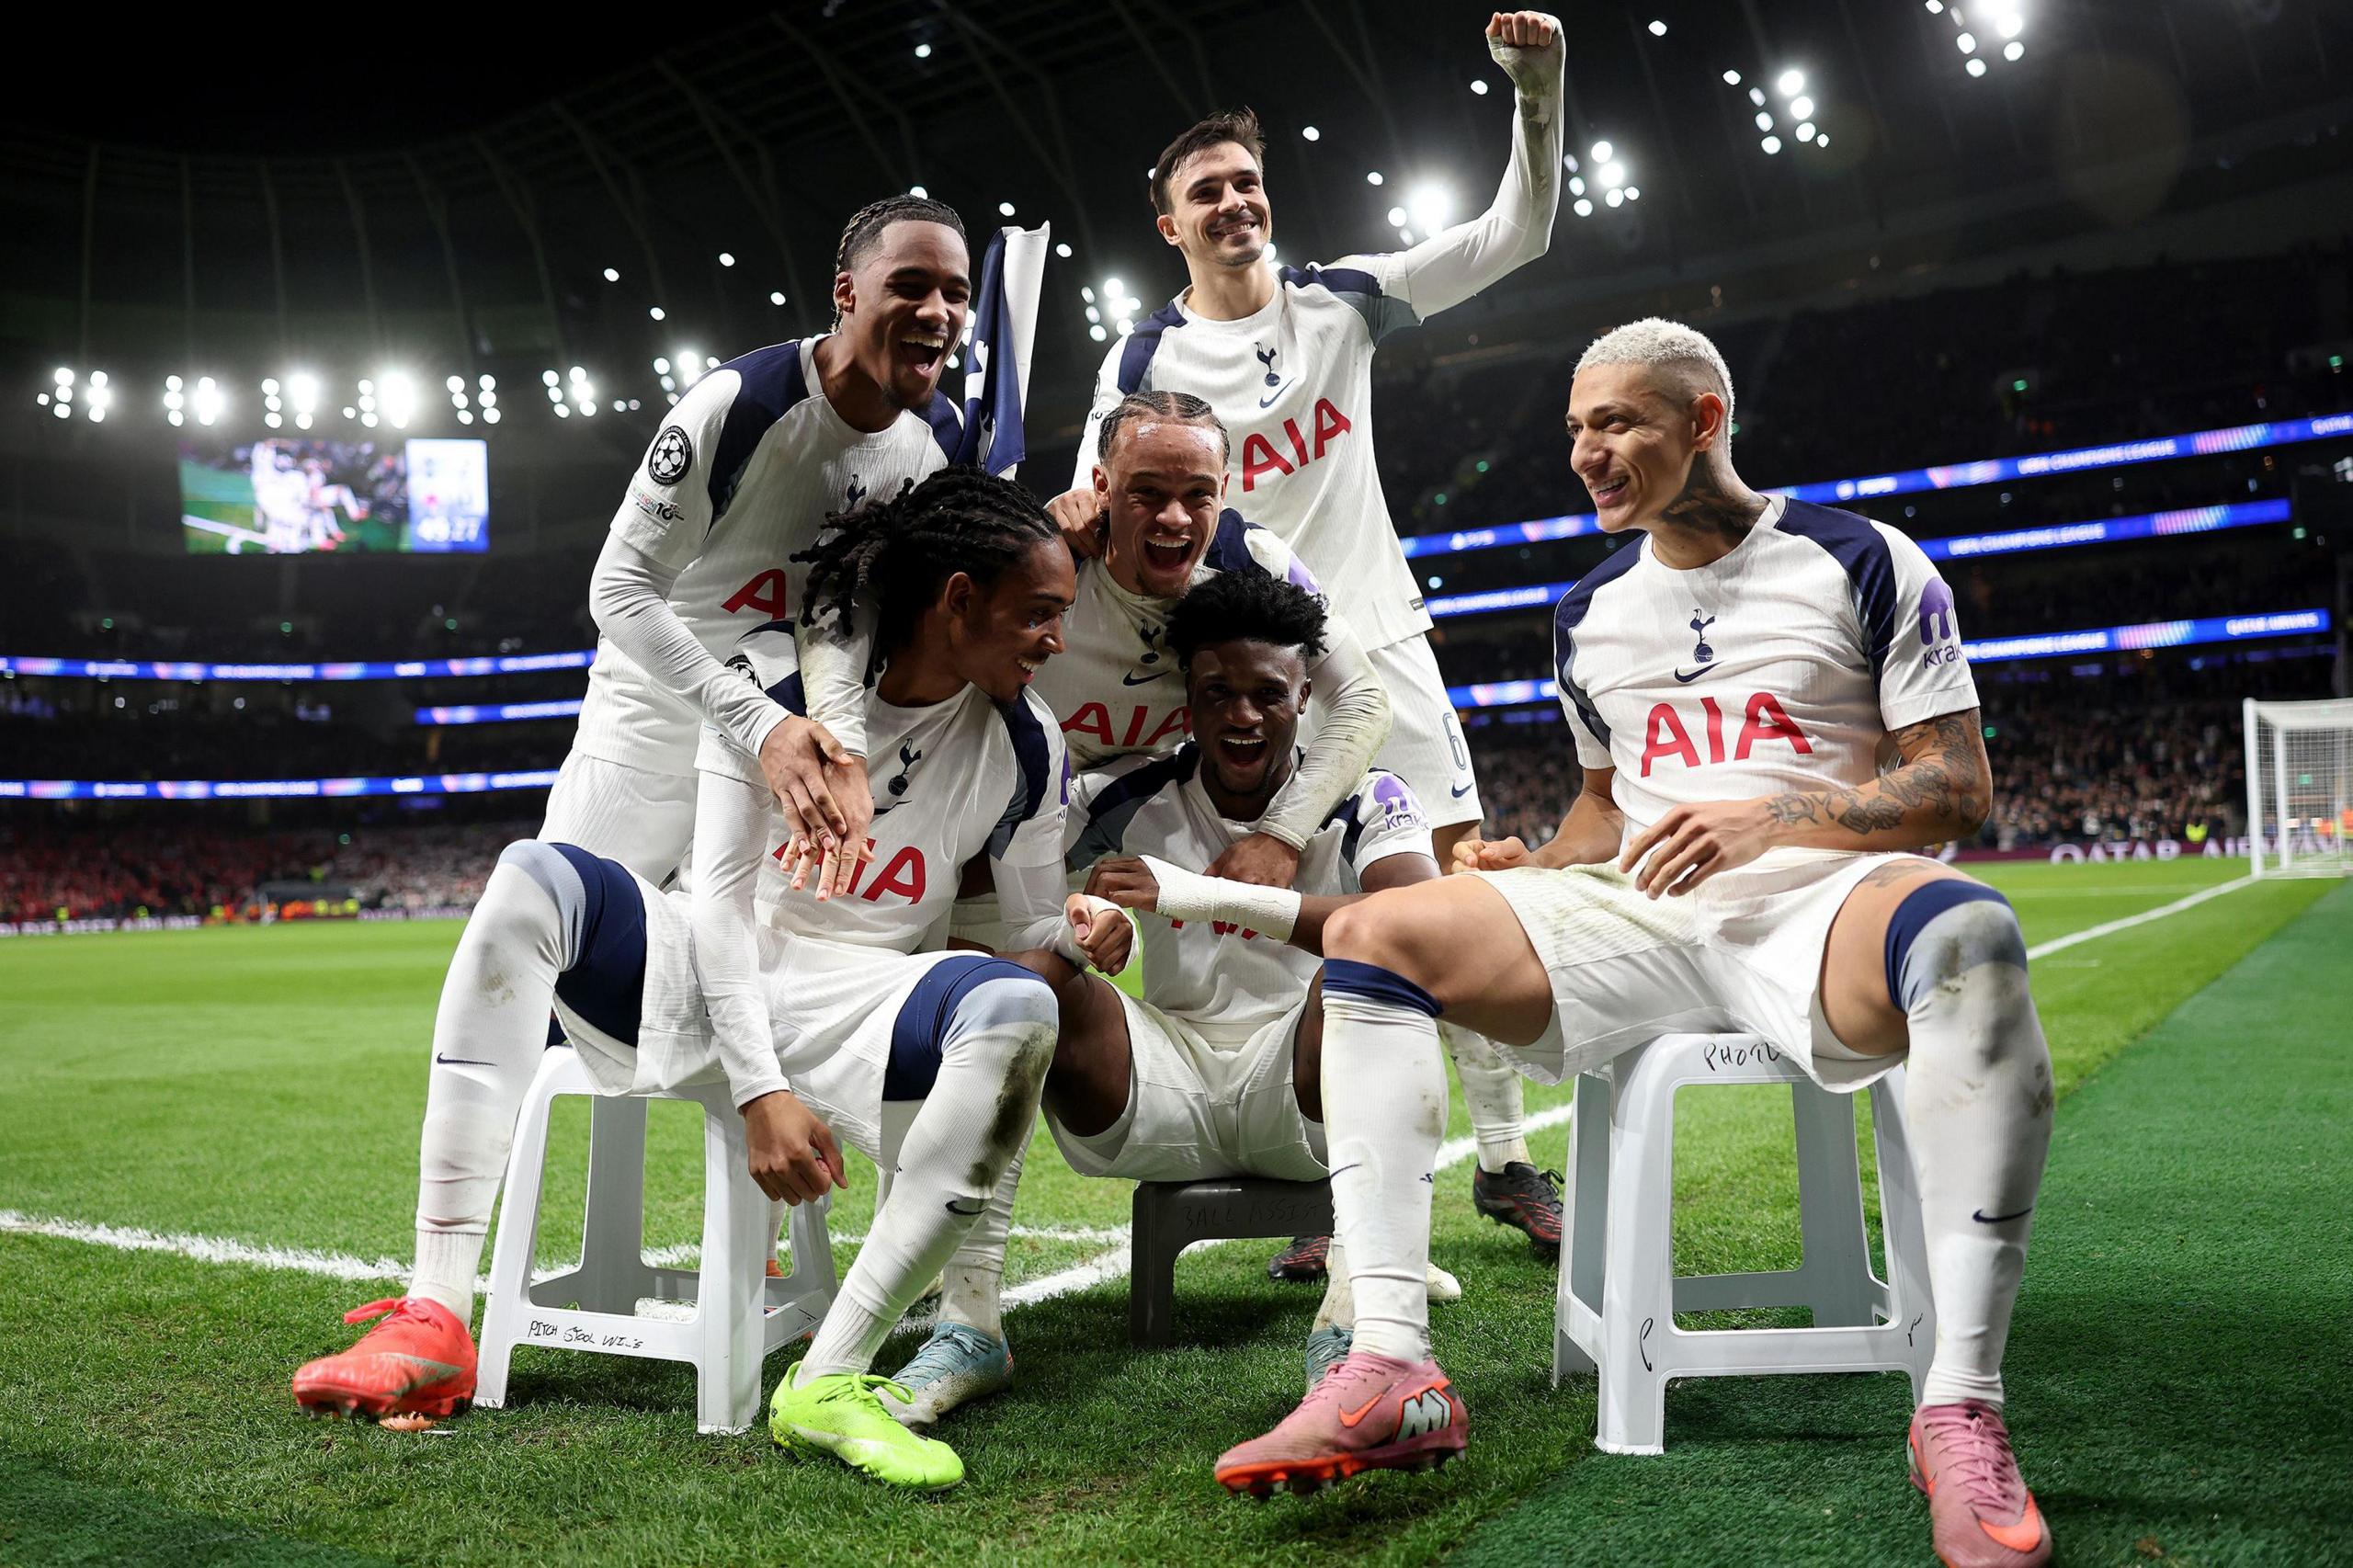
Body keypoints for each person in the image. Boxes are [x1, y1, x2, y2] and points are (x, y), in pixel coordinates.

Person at [1214, 320, 2055, 1568]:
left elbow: (1957, 784)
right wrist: (1536, 862)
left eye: (1615, 422)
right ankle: (1391, 1362)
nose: (1585, 452)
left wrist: (1770, 815)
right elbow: (1607, 807)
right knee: (1376, 929)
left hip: (1820, 898)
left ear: (1704, 419)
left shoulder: (1863, 557)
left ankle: (1960, 1408)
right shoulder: (1587, 610)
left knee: (1973, 931)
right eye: (1575, 429)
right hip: (1643, 906)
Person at [291, 470, 1132, 1495]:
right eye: (1039, 613)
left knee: (1022, 1004)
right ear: (958, 599)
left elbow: (1032, 922)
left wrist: (1091, 928)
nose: (1056, 640)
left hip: (860, 997)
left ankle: (828, 1380)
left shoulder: (1029, 742)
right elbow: (723, 904)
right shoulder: (776, 676)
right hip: (702, 963)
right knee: (528, 878)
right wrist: (758, 1087)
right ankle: (435, 1311)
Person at [1050, 17, 1572, 1244]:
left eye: (1246, 182)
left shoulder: (1344, 300)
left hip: (1370, 638)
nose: (1234, 202)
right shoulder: (1145, 354)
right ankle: (1318, 1170)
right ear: (1169, 224)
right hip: (1232, 667)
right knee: (1268, 889)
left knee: (1449, 886)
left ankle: (1504, 1159)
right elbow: (1094, 492)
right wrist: (1067, 510)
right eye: (1206, 191)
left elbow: (1515, 233)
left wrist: (1537, 92)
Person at [891, 570, 1440, 1426]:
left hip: (1307, 1094)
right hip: (1161, 1086)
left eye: (1269, 694)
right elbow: (991, 889)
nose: (1243, 715)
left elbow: (1422, 929)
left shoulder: (1371, 797)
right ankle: (971, 1326)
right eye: (1218, 692)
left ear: (1306, 696)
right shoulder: (1125, 794)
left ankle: (1356, 1322)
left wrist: (1205, 895)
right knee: (1013, 985)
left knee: (1368, 972)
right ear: (1188, 697)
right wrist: (1081, 924)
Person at [541, 194, 979, 892]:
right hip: (653, 736)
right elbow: (619, 589)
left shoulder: (946, 441)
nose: (938, 312)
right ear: (846, 293)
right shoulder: (741, 404)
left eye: (956, 294)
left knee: (726, 961)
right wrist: (759, 724)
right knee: (564, 930)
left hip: (794, 759)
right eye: (910, 286)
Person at [1037, 389, 1390, 880]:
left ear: (1223, 491)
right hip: (1023, 827)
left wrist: (1282, 834)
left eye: (1198, 493)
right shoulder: (1048, 565)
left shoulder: (1253, 560)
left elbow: (1364, 697)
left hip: (1155, 836)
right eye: (1147, 491)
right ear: (1102, 486)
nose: (1174, 518)